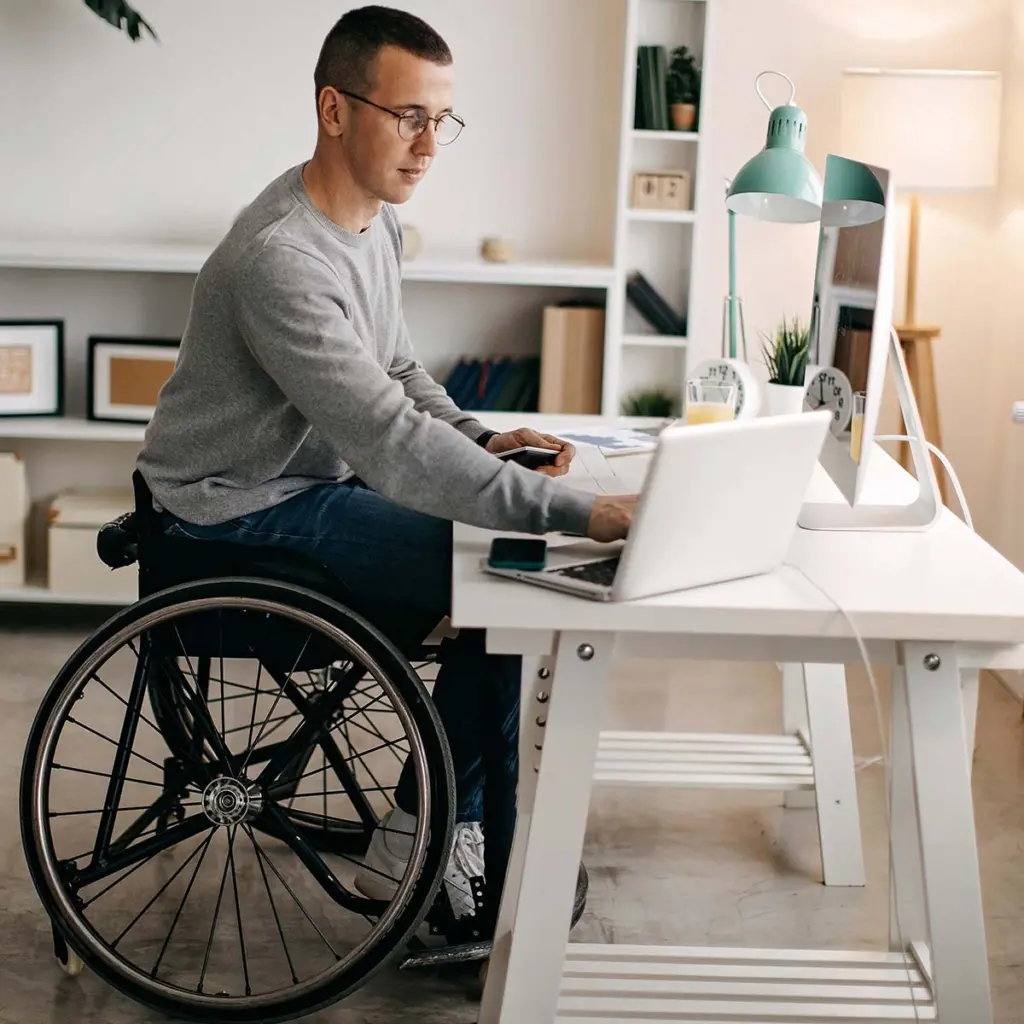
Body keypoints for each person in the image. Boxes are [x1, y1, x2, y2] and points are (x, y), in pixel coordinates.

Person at [136, 4, 635, 932]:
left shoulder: (374, 226)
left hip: (313, 487)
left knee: (509, 577)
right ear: (335, 109)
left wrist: (485, 442)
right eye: (409, 116)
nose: (430, 144)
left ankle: (424, 836)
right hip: (228, 513)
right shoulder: (281, 258)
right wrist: (576, 513)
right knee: (506, 579)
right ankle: (447, 847)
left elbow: (400, 377)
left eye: (441, 119)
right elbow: (389, 440)